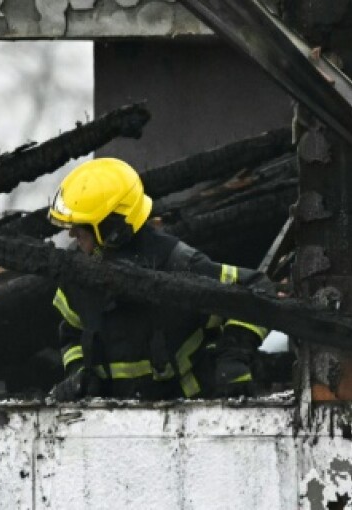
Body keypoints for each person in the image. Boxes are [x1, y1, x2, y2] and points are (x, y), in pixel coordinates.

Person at [46, 157, 275, 401]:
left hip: (190, 412)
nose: (71, 234)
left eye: (80, 227)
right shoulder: (78, 272)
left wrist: (233, 355)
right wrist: (78, 374)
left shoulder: (177, 263)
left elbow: (258, 289)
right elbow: (71, 332)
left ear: (111, 228)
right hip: (114, 421)